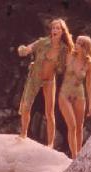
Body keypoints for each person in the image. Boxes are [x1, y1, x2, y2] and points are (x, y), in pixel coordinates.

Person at [17, 19, 74, 147]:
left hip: (49, 80)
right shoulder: (43, 42)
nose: (54, 30)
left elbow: (70, 64)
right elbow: (29, 48)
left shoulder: (64, 49)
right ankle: (23, 134)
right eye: (53, 28)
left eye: (57, 28)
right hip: (35, 78)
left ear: (62, 31)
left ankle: (50, 144)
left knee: (49, 112)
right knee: (26, 106)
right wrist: (24, 49)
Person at [59, 35, 91, 158]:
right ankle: (74, 158)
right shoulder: (69, 56)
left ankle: (79, 156)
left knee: (79, 128)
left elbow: (89, 84)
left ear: (85, 47)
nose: (76, 45)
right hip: (65, 95)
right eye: (77, 42)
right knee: (72, 126)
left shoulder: (89, 64)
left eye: (79, 43)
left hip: (80, 96)